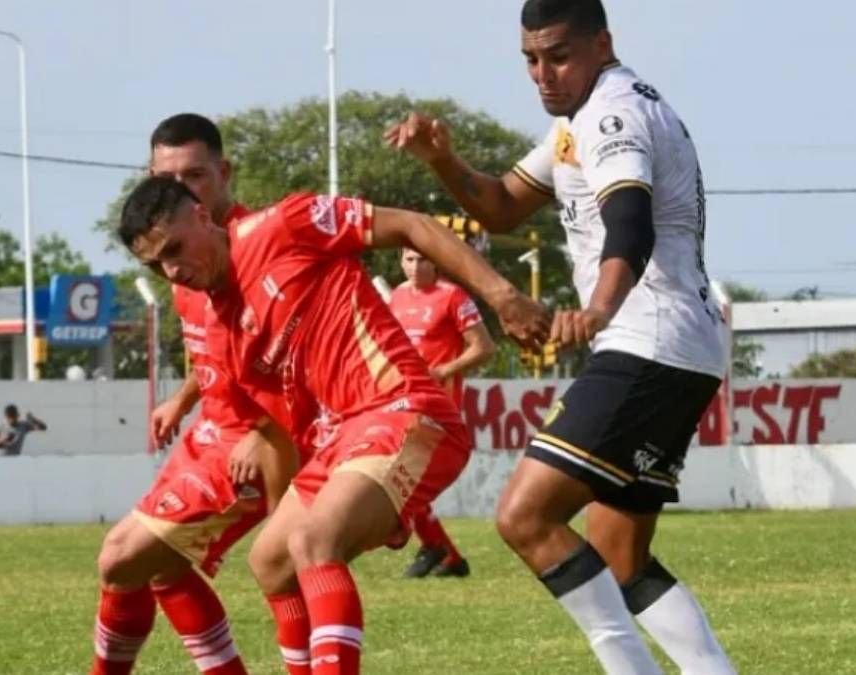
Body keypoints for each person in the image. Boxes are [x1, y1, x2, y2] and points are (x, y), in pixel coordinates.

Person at [384, 1, 735, 672]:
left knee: (524, 515)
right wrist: (443, 160)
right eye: (530, 59)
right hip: (678, 345)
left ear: (602, 43)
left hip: (646, 339)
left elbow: (630, 224)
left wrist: (599, 310)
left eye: (558, 55)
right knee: (620, 554)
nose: (543, 73)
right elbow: (501, 204)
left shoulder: (611, 116)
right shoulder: (577, 123)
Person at [117, 175, 548, 674]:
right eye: (156, 264)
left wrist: (503, 296)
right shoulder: (225, 331)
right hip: (343, 441)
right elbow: (286, 432)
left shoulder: (282, 225)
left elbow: (413, 224)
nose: (173, 270)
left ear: (203, 216)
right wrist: (301, 500)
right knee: (271, 560)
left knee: (312, 541)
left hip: (405, 407)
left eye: (174, 248)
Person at [89, 113, 300, 675]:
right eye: (166, 177)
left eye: (195, 176)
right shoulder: (175, 253)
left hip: (253, 441)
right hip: (209, 431)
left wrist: (263, 434)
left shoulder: (259, 246)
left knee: (121, 558)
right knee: (160, 567)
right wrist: (183, 399)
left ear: (223, 173)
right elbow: (222, 352)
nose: (179, 190)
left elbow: (297, 361)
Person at [388, 247, 495, 578]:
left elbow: (485, 347)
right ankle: (445, 553)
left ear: (436, 261)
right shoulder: (397, 296)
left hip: (438, 404)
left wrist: (445, 369)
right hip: (402, 400)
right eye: (408, 259)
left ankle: (436, 547)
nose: (416, 266)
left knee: (404, 477)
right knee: (400, 476)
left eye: (423, 259)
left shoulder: (452, 296)